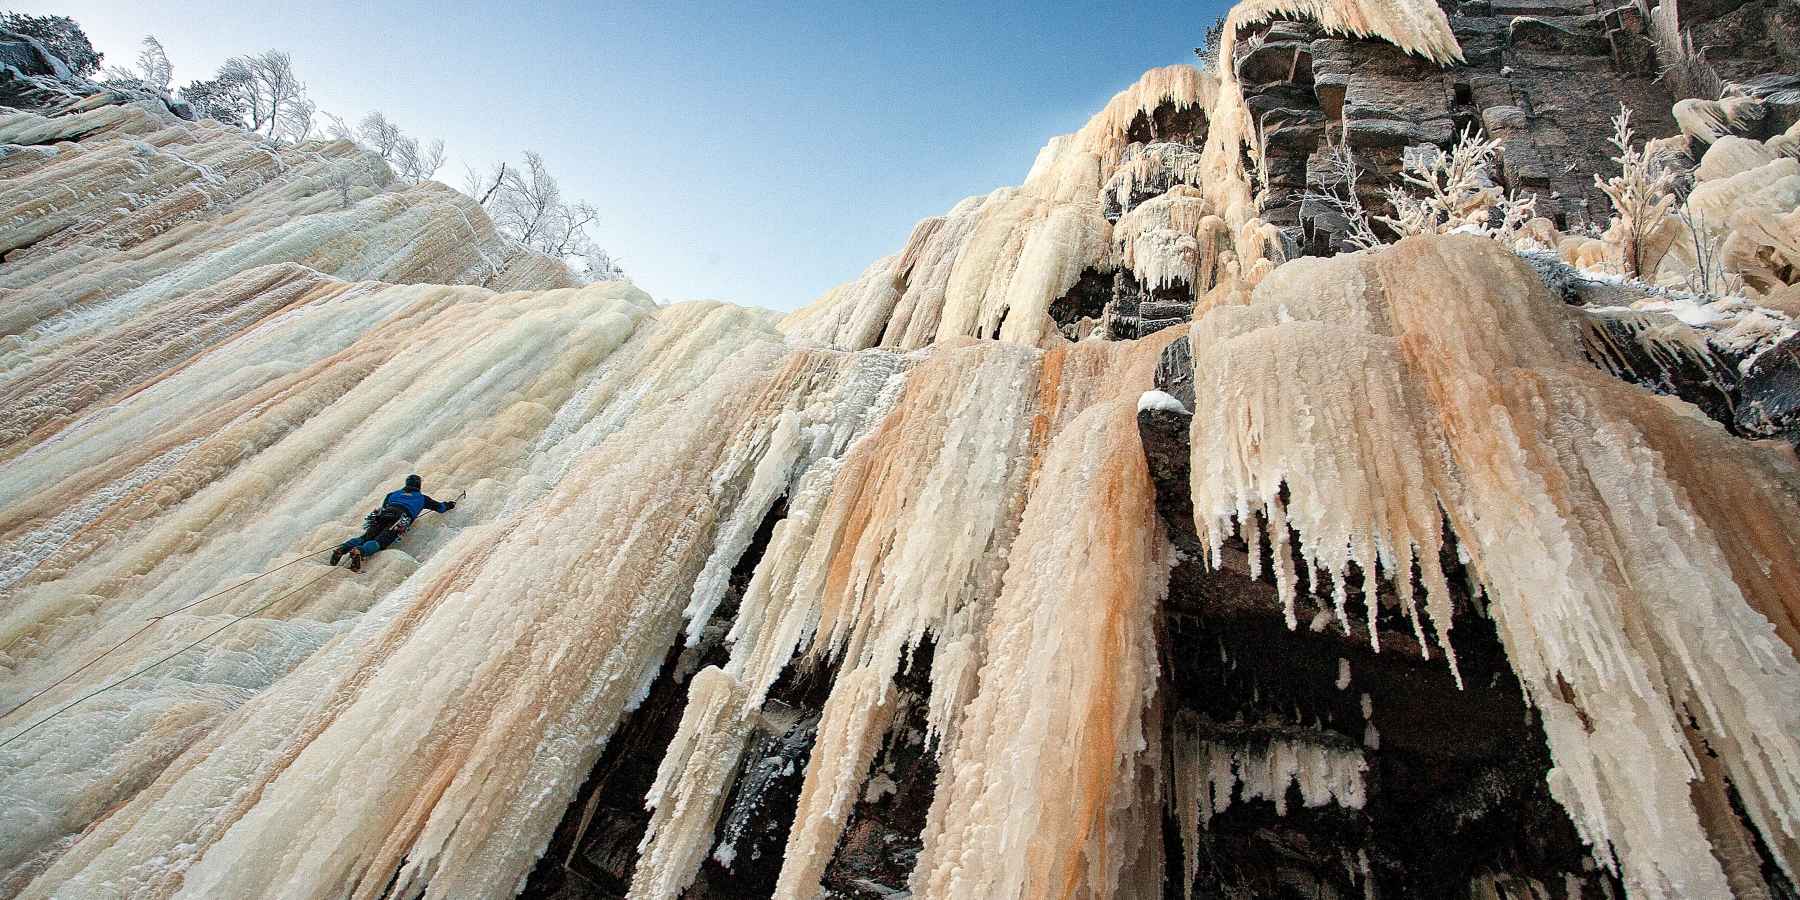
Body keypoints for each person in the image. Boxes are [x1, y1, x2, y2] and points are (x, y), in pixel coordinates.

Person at [330, 474, 456, 571]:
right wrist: (450, 504)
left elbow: (385, 506)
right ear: (418, 486)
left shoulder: (393, 494)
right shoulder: (423, 498)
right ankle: (360, 552)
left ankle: (343, 548)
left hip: (383, 514)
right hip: (401, 518)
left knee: (365, 537)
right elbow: (440, 508)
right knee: (380, 541)